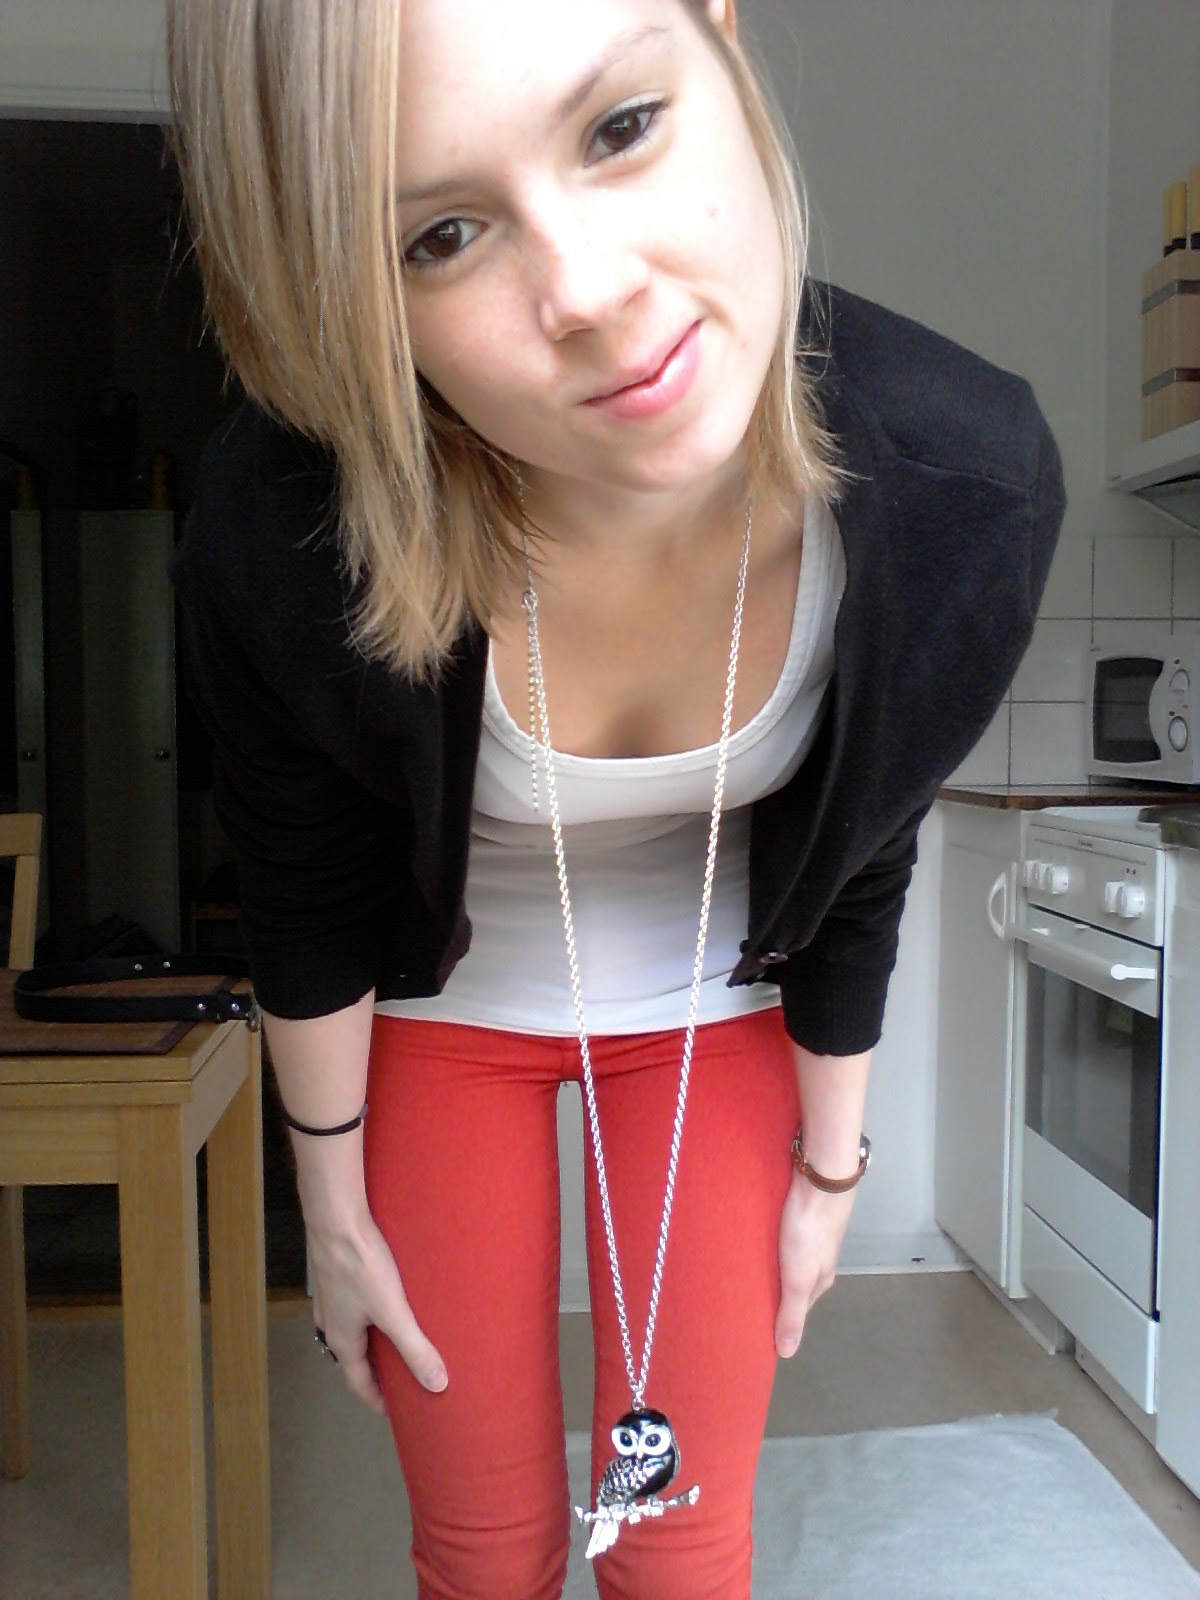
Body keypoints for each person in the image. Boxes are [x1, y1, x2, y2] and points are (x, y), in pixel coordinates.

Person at [166, 2, 1065, 1595]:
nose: (586, 291)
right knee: (484, 1551)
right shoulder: (286, 513)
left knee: (675, 1548)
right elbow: (303, 892)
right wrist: (332, 1215)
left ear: (720, 31)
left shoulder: (966, 486)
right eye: (441, 234)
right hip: (438, 1022)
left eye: (620, 126)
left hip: (718, 1017)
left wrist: (830, 1174)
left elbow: (863, 852)